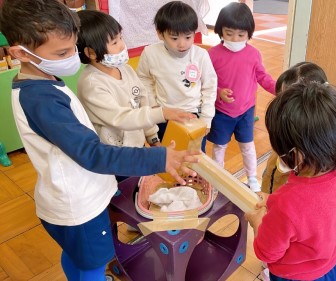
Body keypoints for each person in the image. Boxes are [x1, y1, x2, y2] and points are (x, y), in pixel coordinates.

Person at [0, 1, 199, 280]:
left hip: (78, 197)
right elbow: (92, 153)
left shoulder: (43, 82)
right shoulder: (40, 99)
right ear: (21, 53)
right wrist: (160, 157)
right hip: (78, 205)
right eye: (63, 52)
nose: (73, 56)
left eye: (72, 47)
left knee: (81, 257)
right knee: (93, 264)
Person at [245, 82, 336, 281]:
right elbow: (317, 211)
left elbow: (266, 253)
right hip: (332, 264)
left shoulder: (287, 204)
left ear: (296, 155)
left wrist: (257, 221)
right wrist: (272, 200)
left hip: (294, 276)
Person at [76, 10, 195, 182]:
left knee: (139, 187)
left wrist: (153, 138)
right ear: (91, 53)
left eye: (121, 38)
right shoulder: (92, 83)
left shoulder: (125, 69)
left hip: (136, 148)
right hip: (115, 156)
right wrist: (162, 113)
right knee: (125, 193)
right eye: (115, 42)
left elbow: (142, 105)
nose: (122, 46)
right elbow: (121, 118)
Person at [207, 2, 276, 192]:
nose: (235, 39)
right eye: (229, 33)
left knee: (248, 146)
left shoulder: (254, 54)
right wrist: (219, 92)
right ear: (220, 30)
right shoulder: (212, 55)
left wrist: (280, 89)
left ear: (249, 34)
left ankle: (252, 177)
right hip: (221, 112)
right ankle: (217, 178)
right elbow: (206, 82)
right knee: (219, 147)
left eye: (241, 35)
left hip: (246, 111)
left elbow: (263, 77)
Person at [136, 1, 217, 152]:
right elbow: (143, 79)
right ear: (160, 33)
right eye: (174, 38)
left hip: (193, 115)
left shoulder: (201, 55)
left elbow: (210, 87)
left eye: (188, 37)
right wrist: (153, 105)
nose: (182, 44)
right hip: (164, 115)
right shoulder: (150, 53)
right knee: (167, 156)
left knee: (195, 158)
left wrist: (206, 118)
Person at [261, 61, 328, 194]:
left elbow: (274, 184)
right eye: (280, 98)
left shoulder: (297, 153)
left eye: (289, 101)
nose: (282, 107)